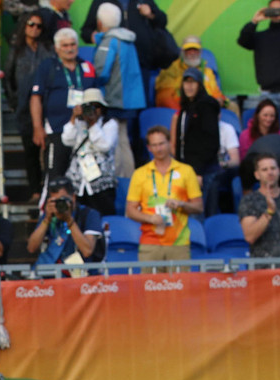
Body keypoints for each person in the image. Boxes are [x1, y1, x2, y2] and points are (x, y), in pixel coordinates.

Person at [125, 126, 202, 271]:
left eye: (161, 144)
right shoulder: (140, 174)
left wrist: (181, 204)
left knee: (180, 290)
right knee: (150, 290)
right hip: (150, 242)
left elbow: (198, 206)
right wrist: (150, 219)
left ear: (169, 143)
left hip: (179, 242)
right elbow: (130, 210)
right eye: (154, 145)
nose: (158, 149)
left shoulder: (186, 171)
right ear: (148, 148)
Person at [30, 28, 96, 183]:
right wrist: (37, 127)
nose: (70, 49)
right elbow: (35, 98)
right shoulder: (48, 66)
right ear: (57, 48)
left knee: (86, 177)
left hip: (84, 131)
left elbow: (95, 96)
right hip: (57, 128)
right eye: (65, 46)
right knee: (55, 176)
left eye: (73, 44)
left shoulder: (86, 67)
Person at [3, 9, 53, 201]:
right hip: (23, 108)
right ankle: (35, 189)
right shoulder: (17, 51)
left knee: (48, 150)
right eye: (31, 24)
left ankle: (48, 187)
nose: (34, 29)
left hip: (46, 105)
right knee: (30, 151)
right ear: (24, 27)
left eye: (38, 26)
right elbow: (8, 78)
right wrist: (14, 101)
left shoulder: (47, 49)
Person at [91, 2, 144, 179]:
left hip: (114, 98)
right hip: (130, 99)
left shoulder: (109, 42)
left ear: (100, 22)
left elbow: (102, 71)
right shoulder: (128, 41)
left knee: (115, 141)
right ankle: (128, 178)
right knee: (123, 140)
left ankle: (120, 179)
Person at [238, 0, 280, 130]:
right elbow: (243, 40)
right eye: (273, 10)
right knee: (266, 129)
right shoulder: (261, 37)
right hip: (268, 92)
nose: (276, 13)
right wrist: (255, 21)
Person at [80, 0, 167, 97]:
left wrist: (151, 14)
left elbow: (163, 21)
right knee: (114, 104)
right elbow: (85, 31)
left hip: (141, 63)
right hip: (113, 67)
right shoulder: (100, 1)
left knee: (140, 102)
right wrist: (98, 38)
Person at [171, 68, 221, 217]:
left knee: (201, 216)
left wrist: (198, 171)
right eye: (186, 82)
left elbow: (211, 142)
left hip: (203, 172)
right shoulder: (185, 107)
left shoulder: (206, 104)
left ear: (200, 85)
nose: (189, 86)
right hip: (187, 171)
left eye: (193, 82)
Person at [61, 88, 117, 218]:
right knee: (80, 220)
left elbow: (105, 146)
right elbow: (66, 140)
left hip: (101, 185)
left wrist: (92, 124)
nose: (93, 110)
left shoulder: (109, 124)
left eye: (96, 106)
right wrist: (74, 117)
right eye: (89, 106)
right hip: (78, 184)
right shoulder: (78, 123)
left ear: (102, 108)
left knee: (103, 219)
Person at [238, 153, 280, 258]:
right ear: (257, 175)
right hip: (261, 269)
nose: (270, 172)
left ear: (279, 171)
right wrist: (269, 212)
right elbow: (250, 236)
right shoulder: (249, 200)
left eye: (273, 168)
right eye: (264, 170)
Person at [26, 177, 103, 268]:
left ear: (73, 197)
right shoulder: (49, 215)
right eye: (55, 201)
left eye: (62, 200)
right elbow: (31, 248)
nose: (59, 205)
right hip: (50, 271)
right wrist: (46, 220)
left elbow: (87, 251)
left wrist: (70, 221)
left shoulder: (89, 214)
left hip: (79, 272)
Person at [154, 35, 226, 111]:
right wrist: (183, 112)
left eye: (195, 49)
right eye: (188, 50)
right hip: (180, 109)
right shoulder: (171, 69)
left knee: (233, 106)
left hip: (206, 109)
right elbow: (163, 98)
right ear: (182, 52)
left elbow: (216, 94)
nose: (192, 53)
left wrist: (221, 101)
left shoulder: (207, 71)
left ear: (200, 52)